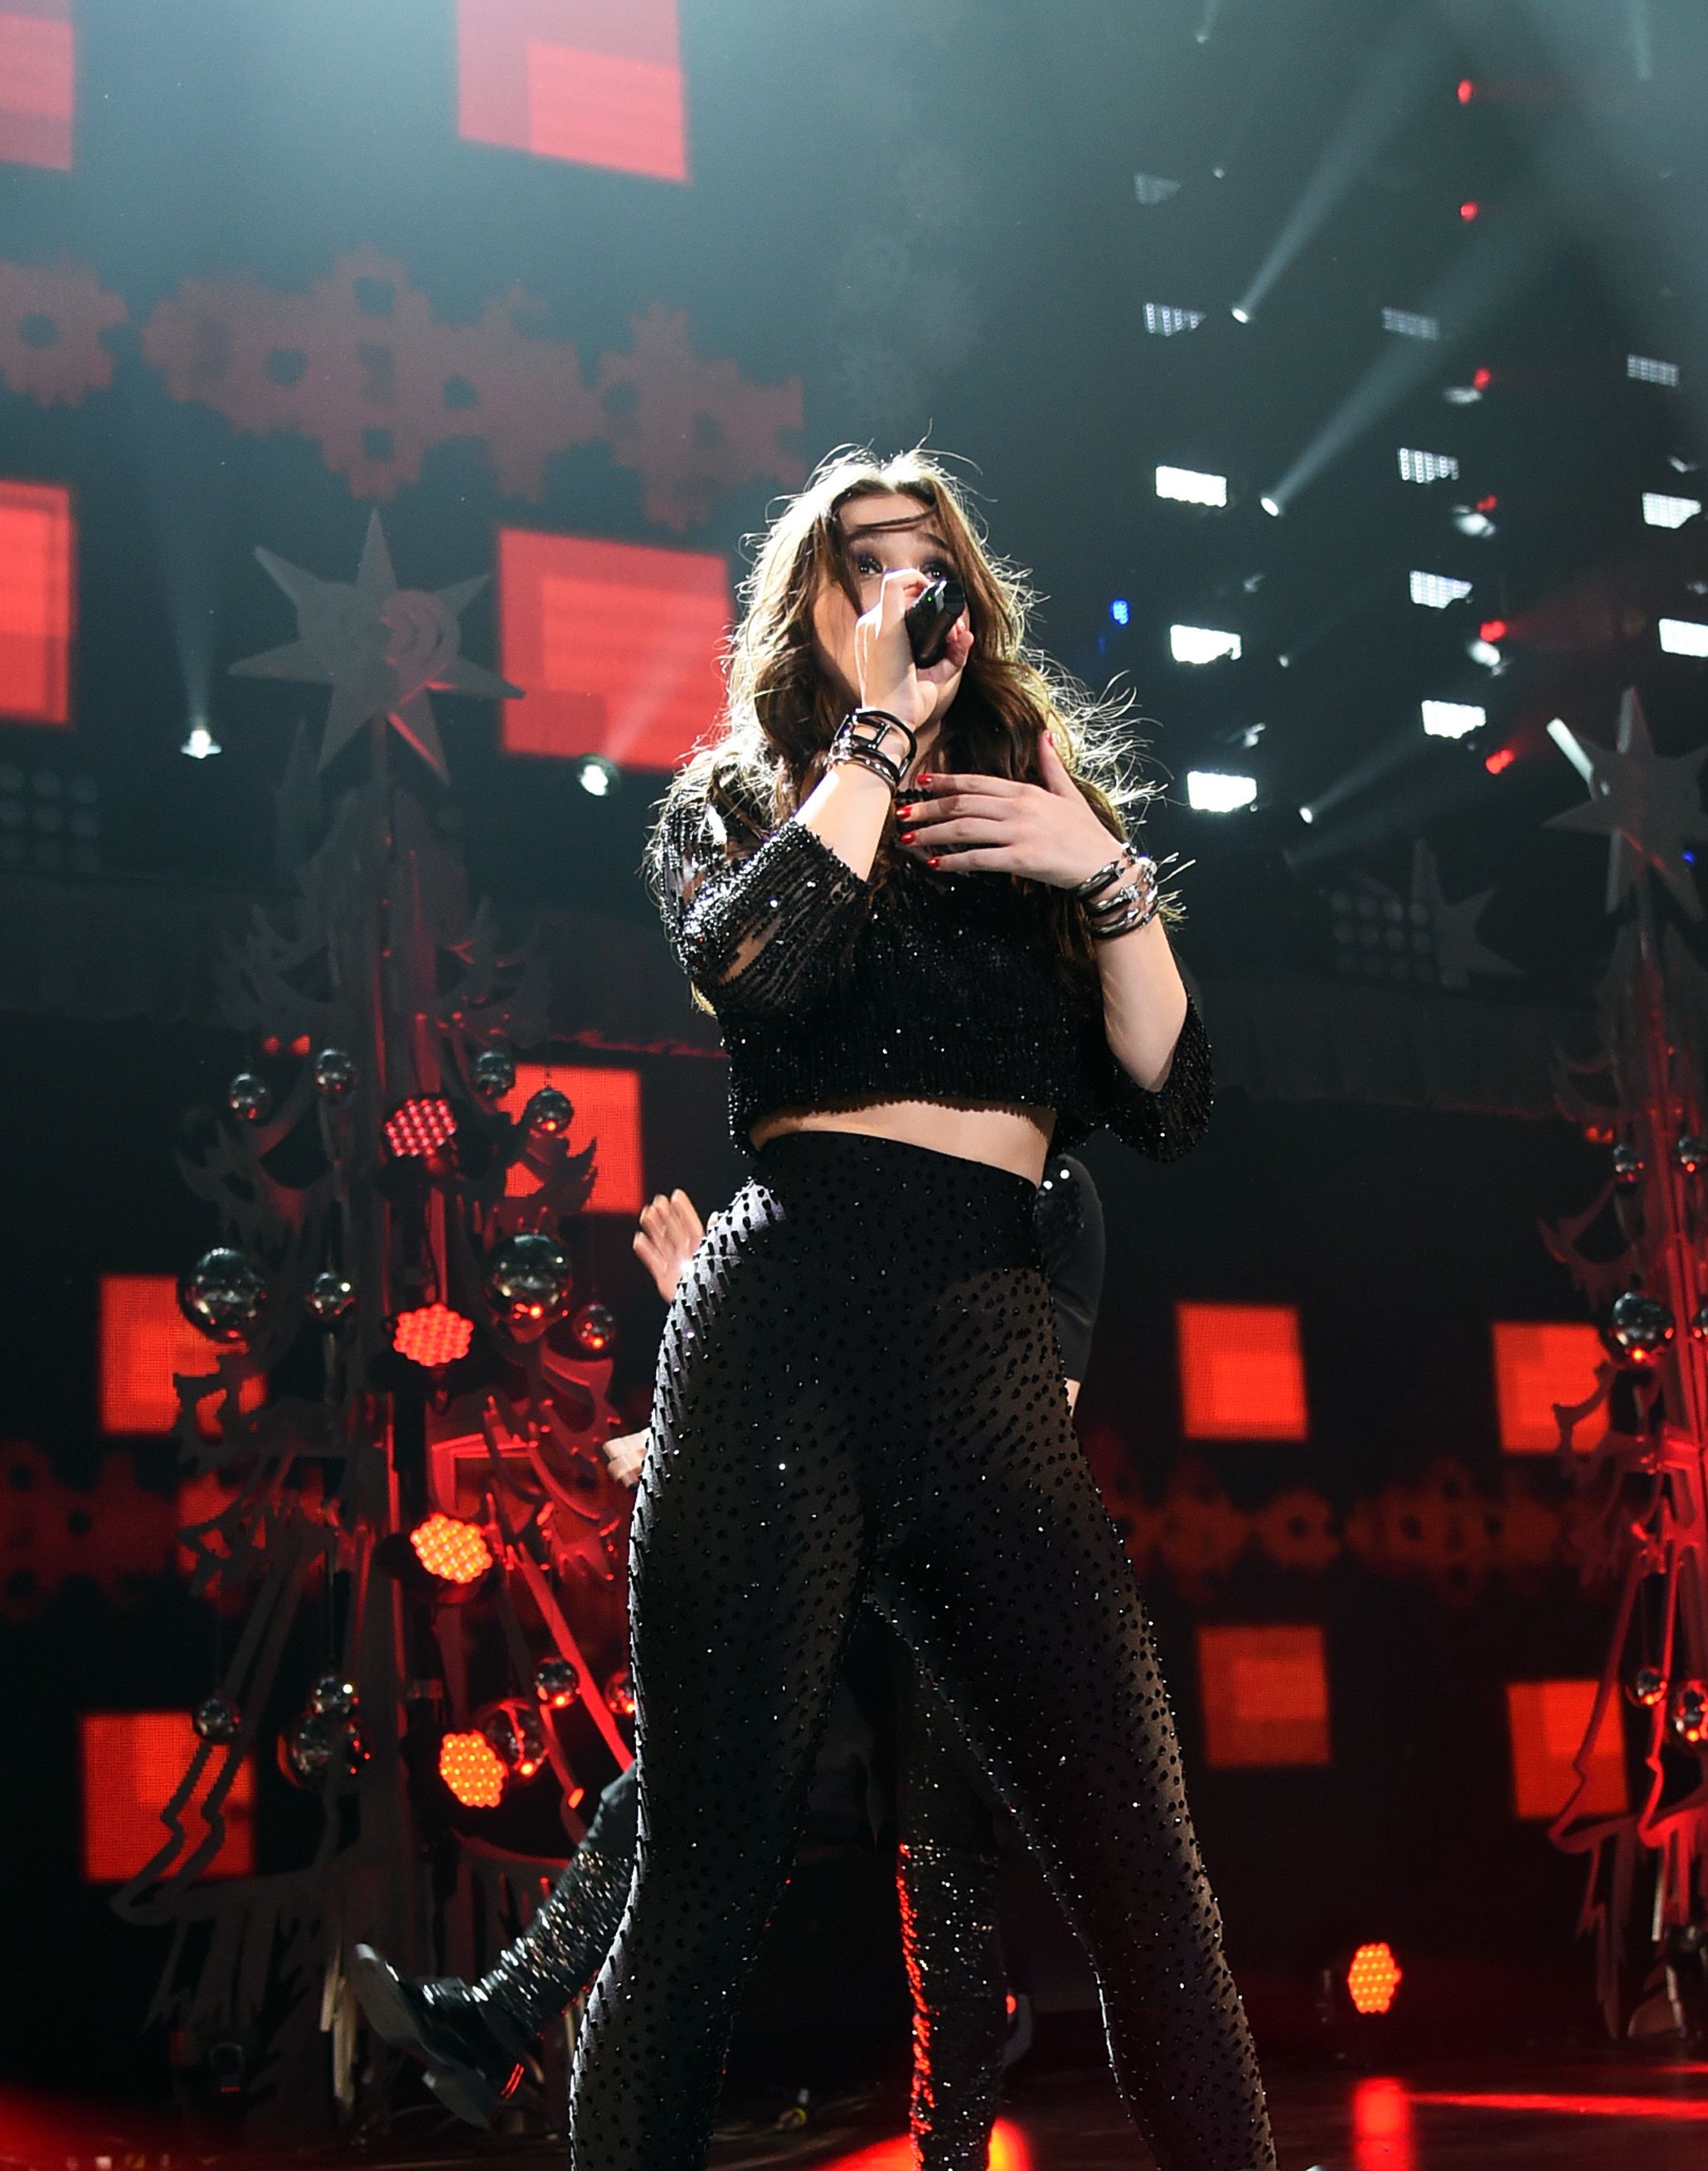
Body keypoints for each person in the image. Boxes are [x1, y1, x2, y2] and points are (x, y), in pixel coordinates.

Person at [565, 448, 1274, 2171]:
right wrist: (872, 740)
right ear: (807, 609)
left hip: (981, 1352)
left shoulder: (1035, 808)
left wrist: (1097, 864)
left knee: (1150, 1888)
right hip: (784, 1328)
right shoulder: (741, 800)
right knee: (700, 1887)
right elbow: (758, 969)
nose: (903, 587)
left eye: (926, 558)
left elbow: (1174, 1100)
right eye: (861, 564)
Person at [349, 1158, 1106, 2171]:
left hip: (951, 1607)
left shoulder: (1045, 1191)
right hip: (847, 1587)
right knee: (668, 1793)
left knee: (942, 1905)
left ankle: (958, 2135)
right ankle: (495, 2022)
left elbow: (1010, 1422)